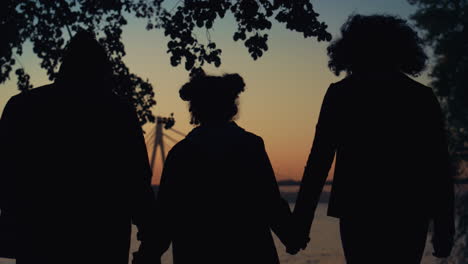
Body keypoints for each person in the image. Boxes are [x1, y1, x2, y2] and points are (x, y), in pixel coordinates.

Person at [291, 14, 455, 263]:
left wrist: (301, 223)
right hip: (409, 209)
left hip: (358, 209)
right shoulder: (421, 97)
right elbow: (438, 166)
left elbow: (319, 162)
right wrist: (444, 227)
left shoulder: (340, 95)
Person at [0, 31, 156, 264]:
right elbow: (136, 180)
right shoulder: (118, 112)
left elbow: (5, 173)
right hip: (102, 240)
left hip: (37, 239)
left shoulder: (21, 106)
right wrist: (150, 237)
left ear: (63, 66)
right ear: (103, 71)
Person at [140, 71, 293, 263]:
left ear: (195, 110)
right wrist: (291, 236)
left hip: (196, 251)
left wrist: (148, 253)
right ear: (231, 107)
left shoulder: (181, 154)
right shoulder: (250, 145)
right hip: (252, 251)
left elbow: (166, 214)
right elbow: (269, 201)